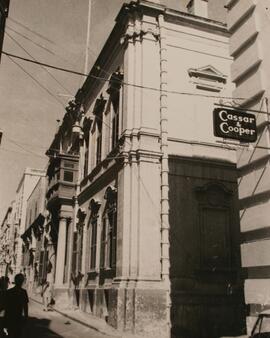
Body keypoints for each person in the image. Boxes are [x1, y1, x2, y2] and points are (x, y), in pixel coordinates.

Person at [4, 273, 29, 338]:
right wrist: (26, 317)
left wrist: (5, 318)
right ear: (22, 282)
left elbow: (5, 305)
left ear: (15, 281)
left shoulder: (9, 292)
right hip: (18, 317)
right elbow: (25, 307)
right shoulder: (23, 292)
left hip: (9, 316)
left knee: (9, 334)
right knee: (17, 334)